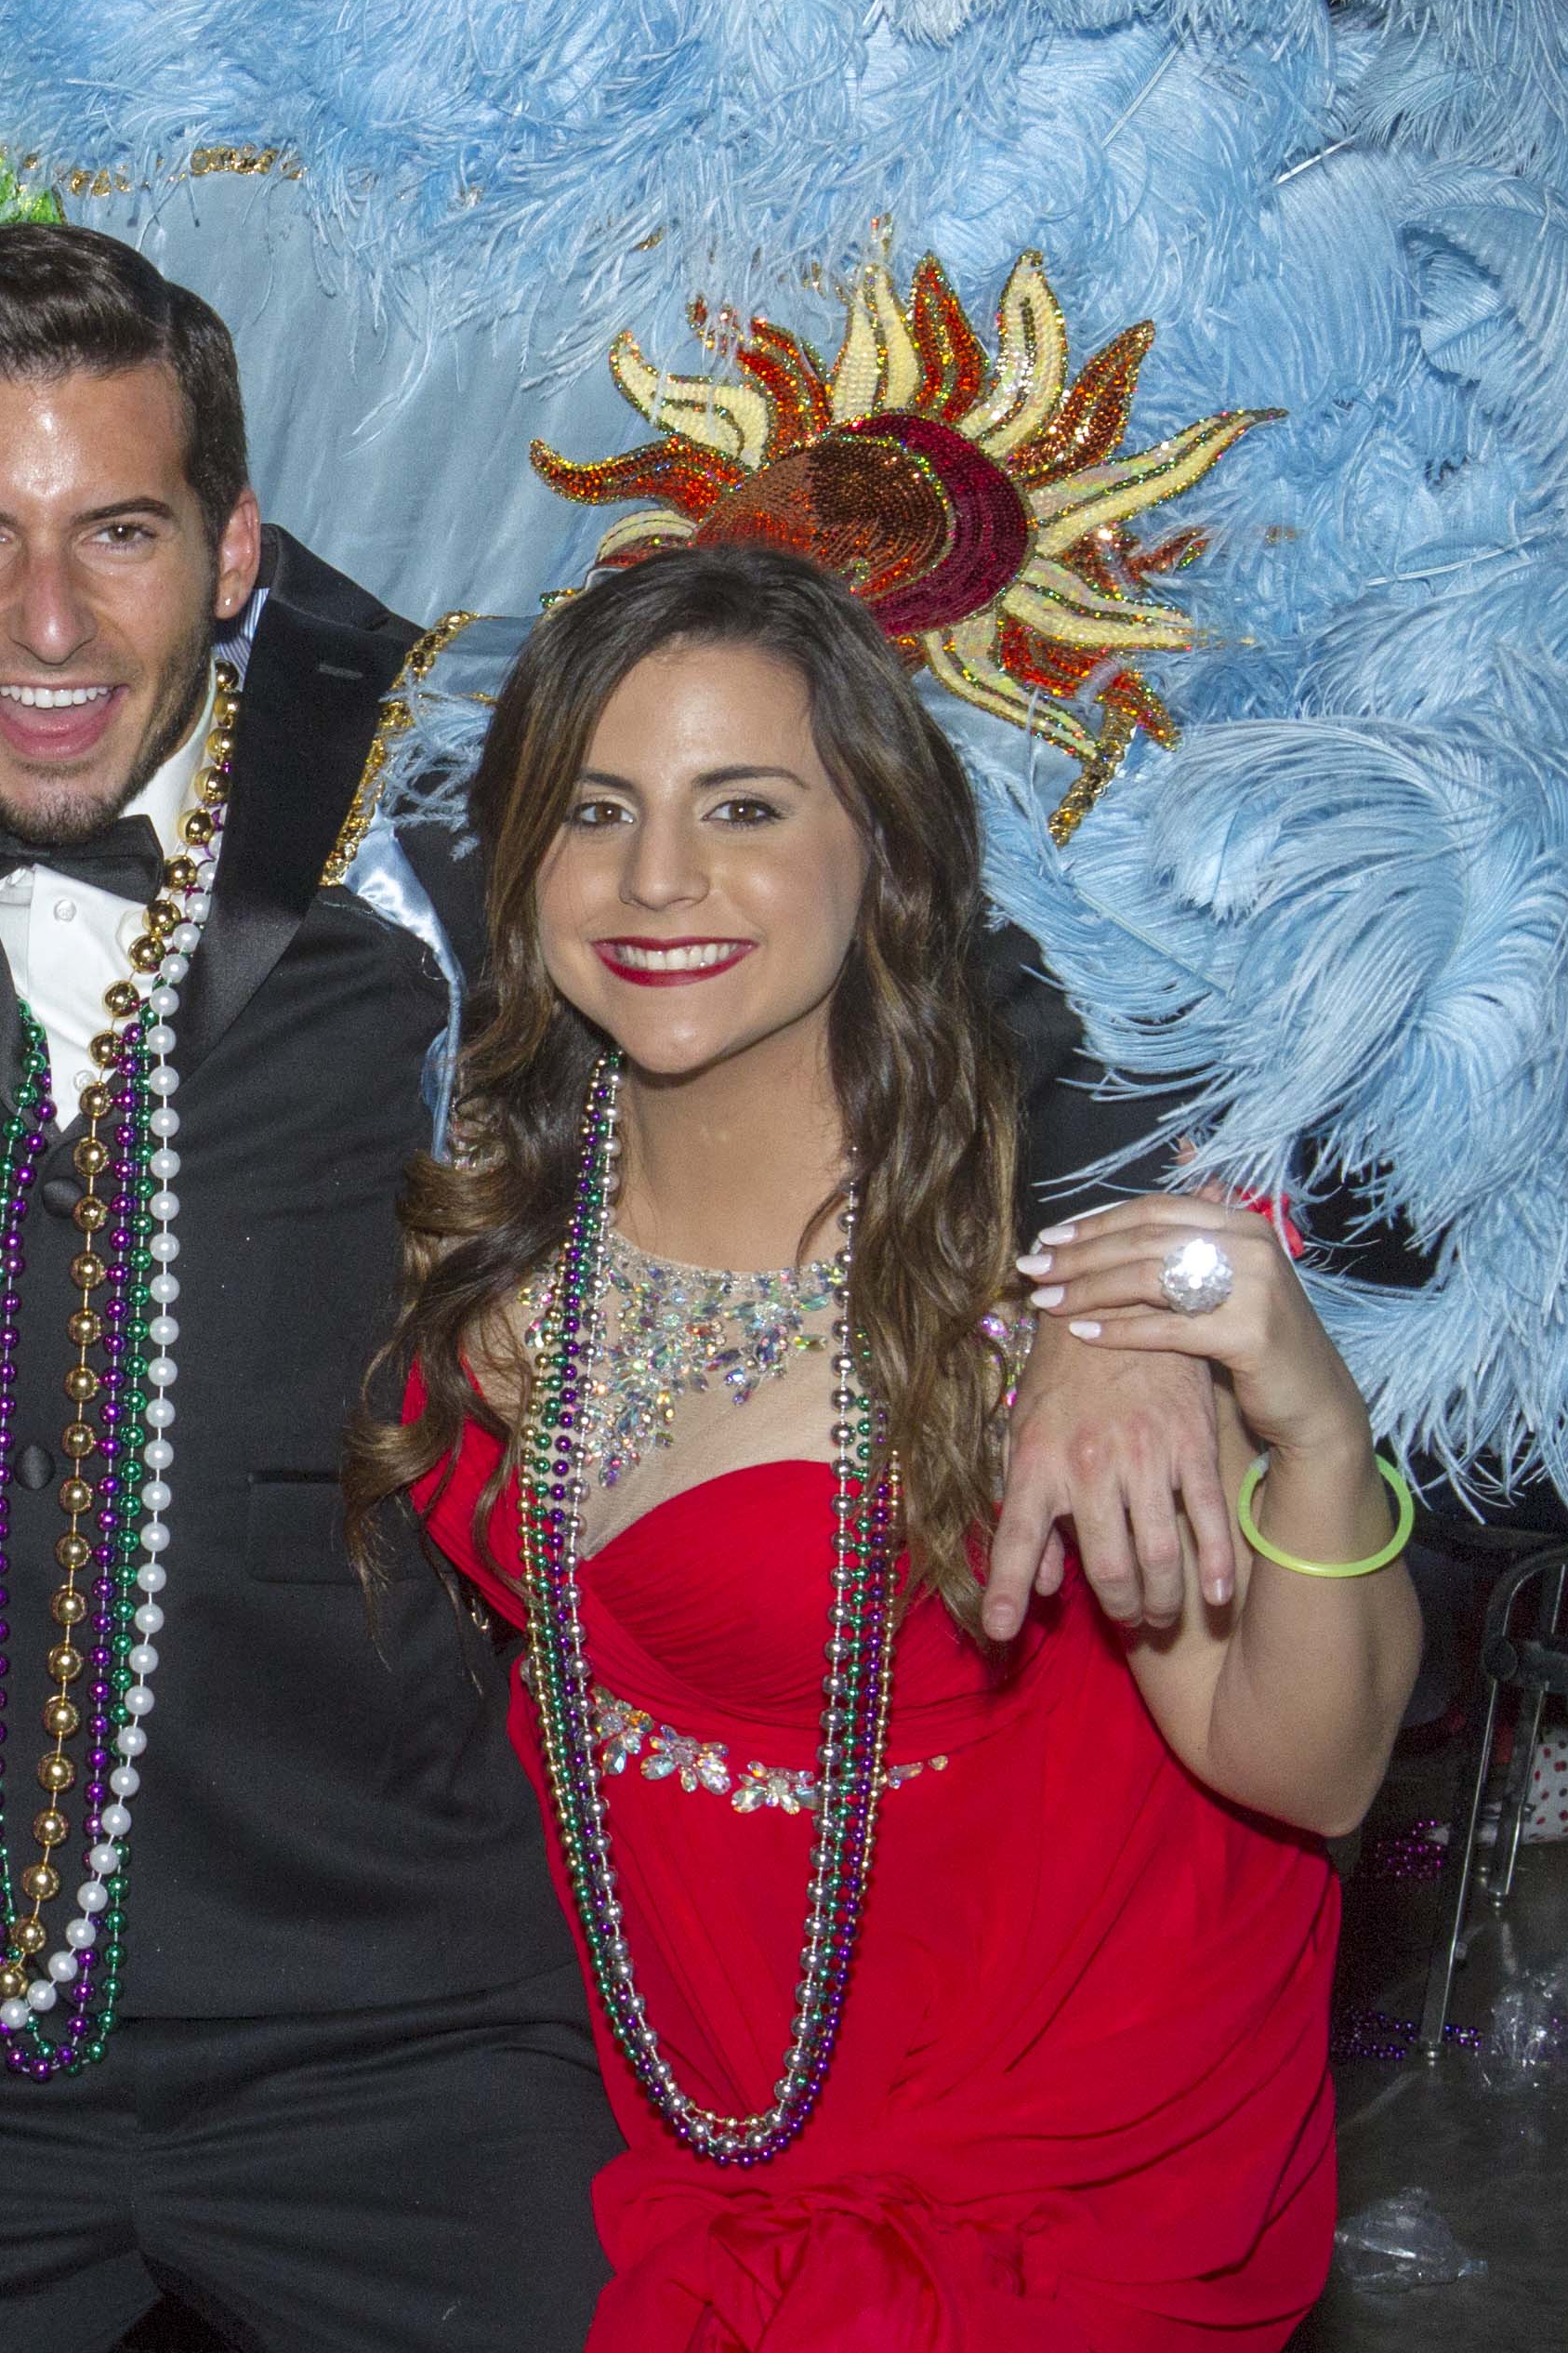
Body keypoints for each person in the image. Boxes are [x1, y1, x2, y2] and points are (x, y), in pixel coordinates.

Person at [0, 220, 1229, 2352]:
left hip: (393, 2008)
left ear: (238, 544)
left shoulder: (443, 781)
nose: (51, 618)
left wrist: (1128, 1306)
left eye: (123, 532)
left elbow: (968, 990)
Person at [353, 541, 1417, 2348]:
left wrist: (1313, 1426)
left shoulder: (1042, 1289)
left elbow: (1301, 1767)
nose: (658, 878)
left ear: (890, 853)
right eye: (596, 810)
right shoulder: (492, 1210)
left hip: (1011, 2184)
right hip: (624, 2116)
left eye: (744, 806)